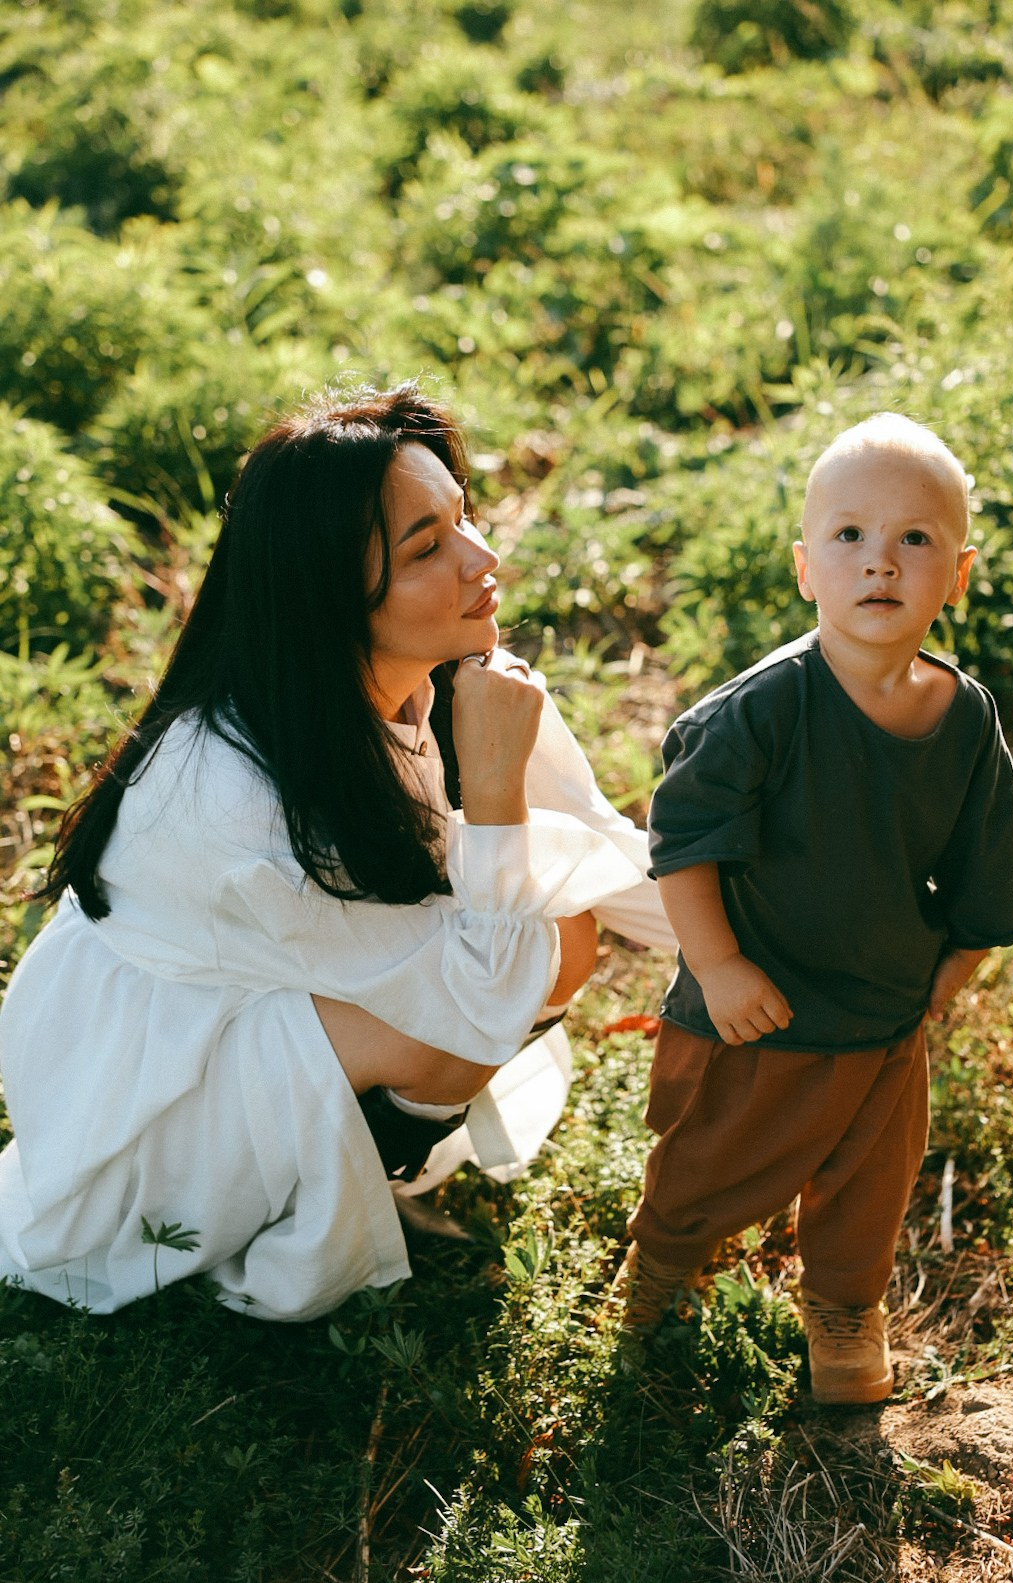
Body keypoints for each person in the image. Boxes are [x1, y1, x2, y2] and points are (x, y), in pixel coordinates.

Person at [0, 381, 675, 1321]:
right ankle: (288, 1202)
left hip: (250, 991)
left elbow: (606, 847)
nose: (483, 560)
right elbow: (481, 1003)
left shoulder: (441, 677)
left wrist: (761, 950)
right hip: (143, 1098)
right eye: (427, 548)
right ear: (329, 592)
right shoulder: (226, 796)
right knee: (505, 969)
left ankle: (353, 1154)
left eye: (463, 519)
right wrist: (493, 793)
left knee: (553, 922)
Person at [618, 413, 1013, 1405]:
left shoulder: (963, 716)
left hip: (885, 1007)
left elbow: (987, 858)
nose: (878, 562)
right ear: (805, 567)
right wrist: (718, 966)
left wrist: (956, 964)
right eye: (848, 536)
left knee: (868, 1182)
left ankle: (844, 1309)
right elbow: (680, 840)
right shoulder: (762, 709)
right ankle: (660, 1282)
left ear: (957, 573)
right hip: (761, 999)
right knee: (711, 1162)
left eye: (913, 539)